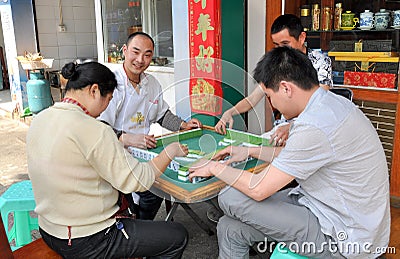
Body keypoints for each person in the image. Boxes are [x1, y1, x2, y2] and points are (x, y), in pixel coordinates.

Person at [189, 47, 390, 258]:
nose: (271, 105)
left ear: (285, 88)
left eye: (269, 96)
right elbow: (295, 158)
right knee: (229, 227)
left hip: (343, 234)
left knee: (231, 197)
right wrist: (249, 151)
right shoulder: (327, 105)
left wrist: (213, 166)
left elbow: (259, 189)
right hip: (325, 206)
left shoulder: (315, 124)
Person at [27, 62, 189, 259]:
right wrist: (170, 151)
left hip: (49, 229)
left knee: (131, 204)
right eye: (108, 99)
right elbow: (137, 181)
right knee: (177, 235)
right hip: (88, 239)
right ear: (94, 90)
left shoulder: (40, 119)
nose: (105, 109)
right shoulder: (94, 129)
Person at [98, 32, 202, 220]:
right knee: (146, 189)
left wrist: (183, 125)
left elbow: (161, 114)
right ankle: (135, 222)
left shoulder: (151, 83)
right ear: (124, 51)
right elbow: (99, 126)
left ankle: (140, 221)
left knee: (157, 184)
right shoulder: (111, 83)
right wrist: (127, 138)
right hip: (113, 154)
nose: (140, 60)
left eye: (147, 54)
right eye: (135, 52)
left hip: (143, 153)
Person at [215, 14, 332, 144]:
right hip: (281, 128)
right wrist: (230, 112)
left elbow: (321, 102)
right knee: (248, 149)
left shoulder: (320, 61)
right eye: (277, 45)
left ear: (301, 38)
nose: (281, 49)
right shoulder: (278, 63)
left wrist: (292, 126)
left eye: (285, 44)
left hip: (309, 128)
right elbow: (253, 98)